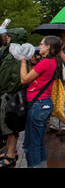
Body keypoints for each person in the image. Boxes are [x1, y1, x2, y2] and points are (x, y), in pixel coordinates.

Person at [20, 35, 62, 168]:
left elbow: (24, 79)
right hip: (44, 104)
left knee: (31, 144)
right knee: (38, 142)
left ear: (48, 47)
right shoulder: (53, 61)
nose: (39, 46)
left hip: (38, 105)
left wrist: (22, 61)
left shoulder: (45, 62)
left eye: (41, 44)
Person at [0, 28, 29, 167]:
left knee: (10, 126)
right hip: (14, 94)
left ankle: (11, 154)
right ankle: (9, 150)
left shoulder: (14, 56)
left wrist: (5, 90)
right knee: (10, 125)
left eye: (8, 36)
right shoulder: (16, 53)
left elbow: (9, 78)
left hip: (11, 95)